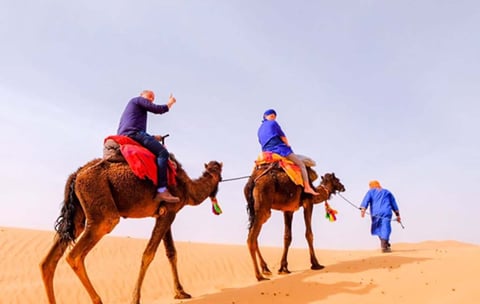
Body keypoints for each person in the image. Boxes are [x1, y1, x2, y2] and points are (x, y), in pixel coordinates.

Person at [117, 90, 179, 203]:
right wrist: (170, 103)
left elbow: (138, 130)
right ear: (141, 95)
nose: (151, 100)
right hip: (133, 134)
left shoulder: (135, 108)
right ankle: (162, 190)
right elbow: (157, 109)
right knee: (162, 153)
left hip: (131, 133)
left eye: (153, 98)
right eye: (149, 96)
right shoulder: (137, 100)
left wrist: (154, 137)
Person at [257, 109, 319, 195]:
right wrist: (288, 145)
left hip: (266, 153)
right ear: (265, 116)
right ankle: (307, 187)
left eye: (274, 117)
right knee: (301, 164)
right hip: (280, 149)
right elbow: (283, 137)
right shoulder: (273, 123)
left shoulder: (259, 129)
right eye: (272, 116)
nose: (273, 118)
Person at [360, 180, 401, 252]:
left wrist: (363, 209)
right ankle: (385, 244)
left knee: (378, 228)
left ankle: (384, 245)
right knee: (386, 227)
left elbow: (366, 200)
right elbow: (394, 204)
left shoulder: (370, 192)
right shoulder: (387, 192)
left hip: (376, 213)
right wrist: (397, 215)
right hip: (386, 212)